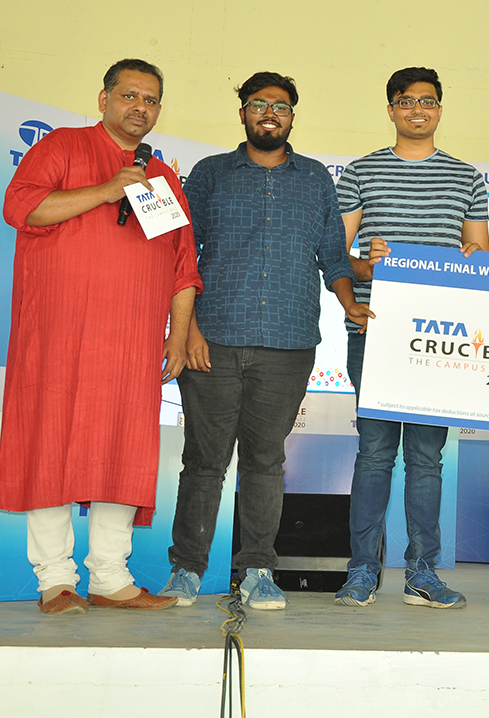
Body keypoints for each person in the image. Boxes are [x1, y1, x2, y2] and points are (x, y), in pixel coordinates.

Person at [0, 59, 201, 615]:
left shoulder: (162, 179)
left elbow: (183, 267)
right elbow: (22, 207)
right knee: (49, 442)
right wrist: (108, 189)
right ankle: (55, 579)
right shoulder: (62, 146)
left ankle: (110, 577)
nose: (140, 107)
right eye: (130, 95)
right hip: (57, 335)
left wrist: (178, 335)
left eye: (151, 100)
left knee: (123, 449)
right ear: (104, 99)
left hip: (131, 342)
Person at [158, 72, 370, 610]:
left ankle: (258, 571)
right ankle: (186, 570)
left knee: (265, 461)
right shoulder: (210, 174)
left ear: (292, 116)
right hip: (213, 340)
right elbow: (180, 254)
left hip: (289, 342)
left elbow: (332, 254)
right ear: (243, 114)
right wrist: (188, 330)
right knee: (204, 462)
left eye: (280, 105)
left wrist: (348, 303)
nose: (269, 112)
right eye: (258, 104)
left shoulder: (315, 178)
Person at [335, 66, 489, 609]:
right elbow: (337, 255)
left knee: (426, 459)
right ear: (391, 109)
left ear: (440, 109)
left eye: (426, 101)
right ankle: (361, 571)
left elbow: (482, 258)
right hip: (375, 330)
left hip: (439, 339)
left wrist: (474, 260)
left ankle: (423, 572)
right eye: (406, 101)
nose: (416, 110)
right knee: (374, 455)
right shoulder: (360, 172)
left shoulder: (466, 178)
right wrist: (365, 271)